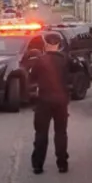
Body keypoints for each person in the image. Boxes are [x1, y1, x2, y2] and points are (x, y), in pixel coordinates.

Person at [30, 32, 71, 174]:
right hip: (61, 102)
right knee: (61, 133)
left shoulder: (40, 60)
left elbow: (32, 77)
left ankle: (38, 165)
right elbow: (71, 79)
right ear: (59, 44)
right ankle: (62, 164)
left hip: (43, 101)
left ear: (46, 44)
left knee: (41, 133)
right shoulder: (65, 59)